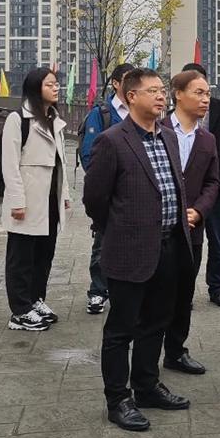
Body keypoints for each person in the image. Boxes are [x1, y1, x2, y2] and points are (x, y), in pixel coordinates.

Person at [83, 67, 193, 431]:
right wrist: (120, 230)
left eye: (163, 90)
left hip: (169, 247)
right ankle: (118, 399)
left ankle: (147, 386)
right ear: (131, 96)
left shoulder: (168, 137)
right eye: (153, 91)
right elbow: (95, 199)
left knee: (156, 323)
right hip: (129, 250)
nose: (162, 96)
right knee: (121, 329)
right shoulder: (112, 141)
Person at [1, 67, 70, 331]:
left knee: (44, 254)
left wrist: (64, 195)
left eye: (56, 84)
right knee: (21, 257)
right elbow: (10, 165)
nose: (56, 88)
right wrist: (17, 202)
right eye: (49, 84)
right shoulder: (18, 120)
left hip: (49, 201)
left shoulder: (55, 119)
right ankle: (20, 311)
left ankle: (35, 300)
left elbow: (60, 163)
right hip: (27, 202)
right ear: (35, 88)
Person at [163, 69, 220, 376]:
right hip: (157, 229)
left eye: (208, 94)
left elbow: (213, 182)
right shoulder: (157, 130)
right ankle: (146, 354)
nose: (205, 99)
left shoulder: (207, 139)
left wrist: (199, 210)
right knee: (155, 294)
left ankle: (176, 351)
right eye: (199, 93)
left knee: (184, 292)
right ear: (178, 94)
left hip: (191, 231)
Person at [181, 62, 220, 308]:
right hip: (187, 191)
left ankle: (217, 288)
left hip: (218, 187)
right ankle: (184, 290)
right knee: (187, 243)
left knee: (217, 241)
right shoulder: (174, 115)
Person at [83, 62, 135, 316]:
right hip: (109, 192)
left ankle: (125, 289)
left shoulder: (140, 111)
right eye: (128, 79)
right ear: (115, 83)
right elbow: (88, 154)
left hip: (135, 193)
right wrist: (102, 184)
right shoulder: (102, 114)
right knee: (103, 241)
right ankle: (98, 291)